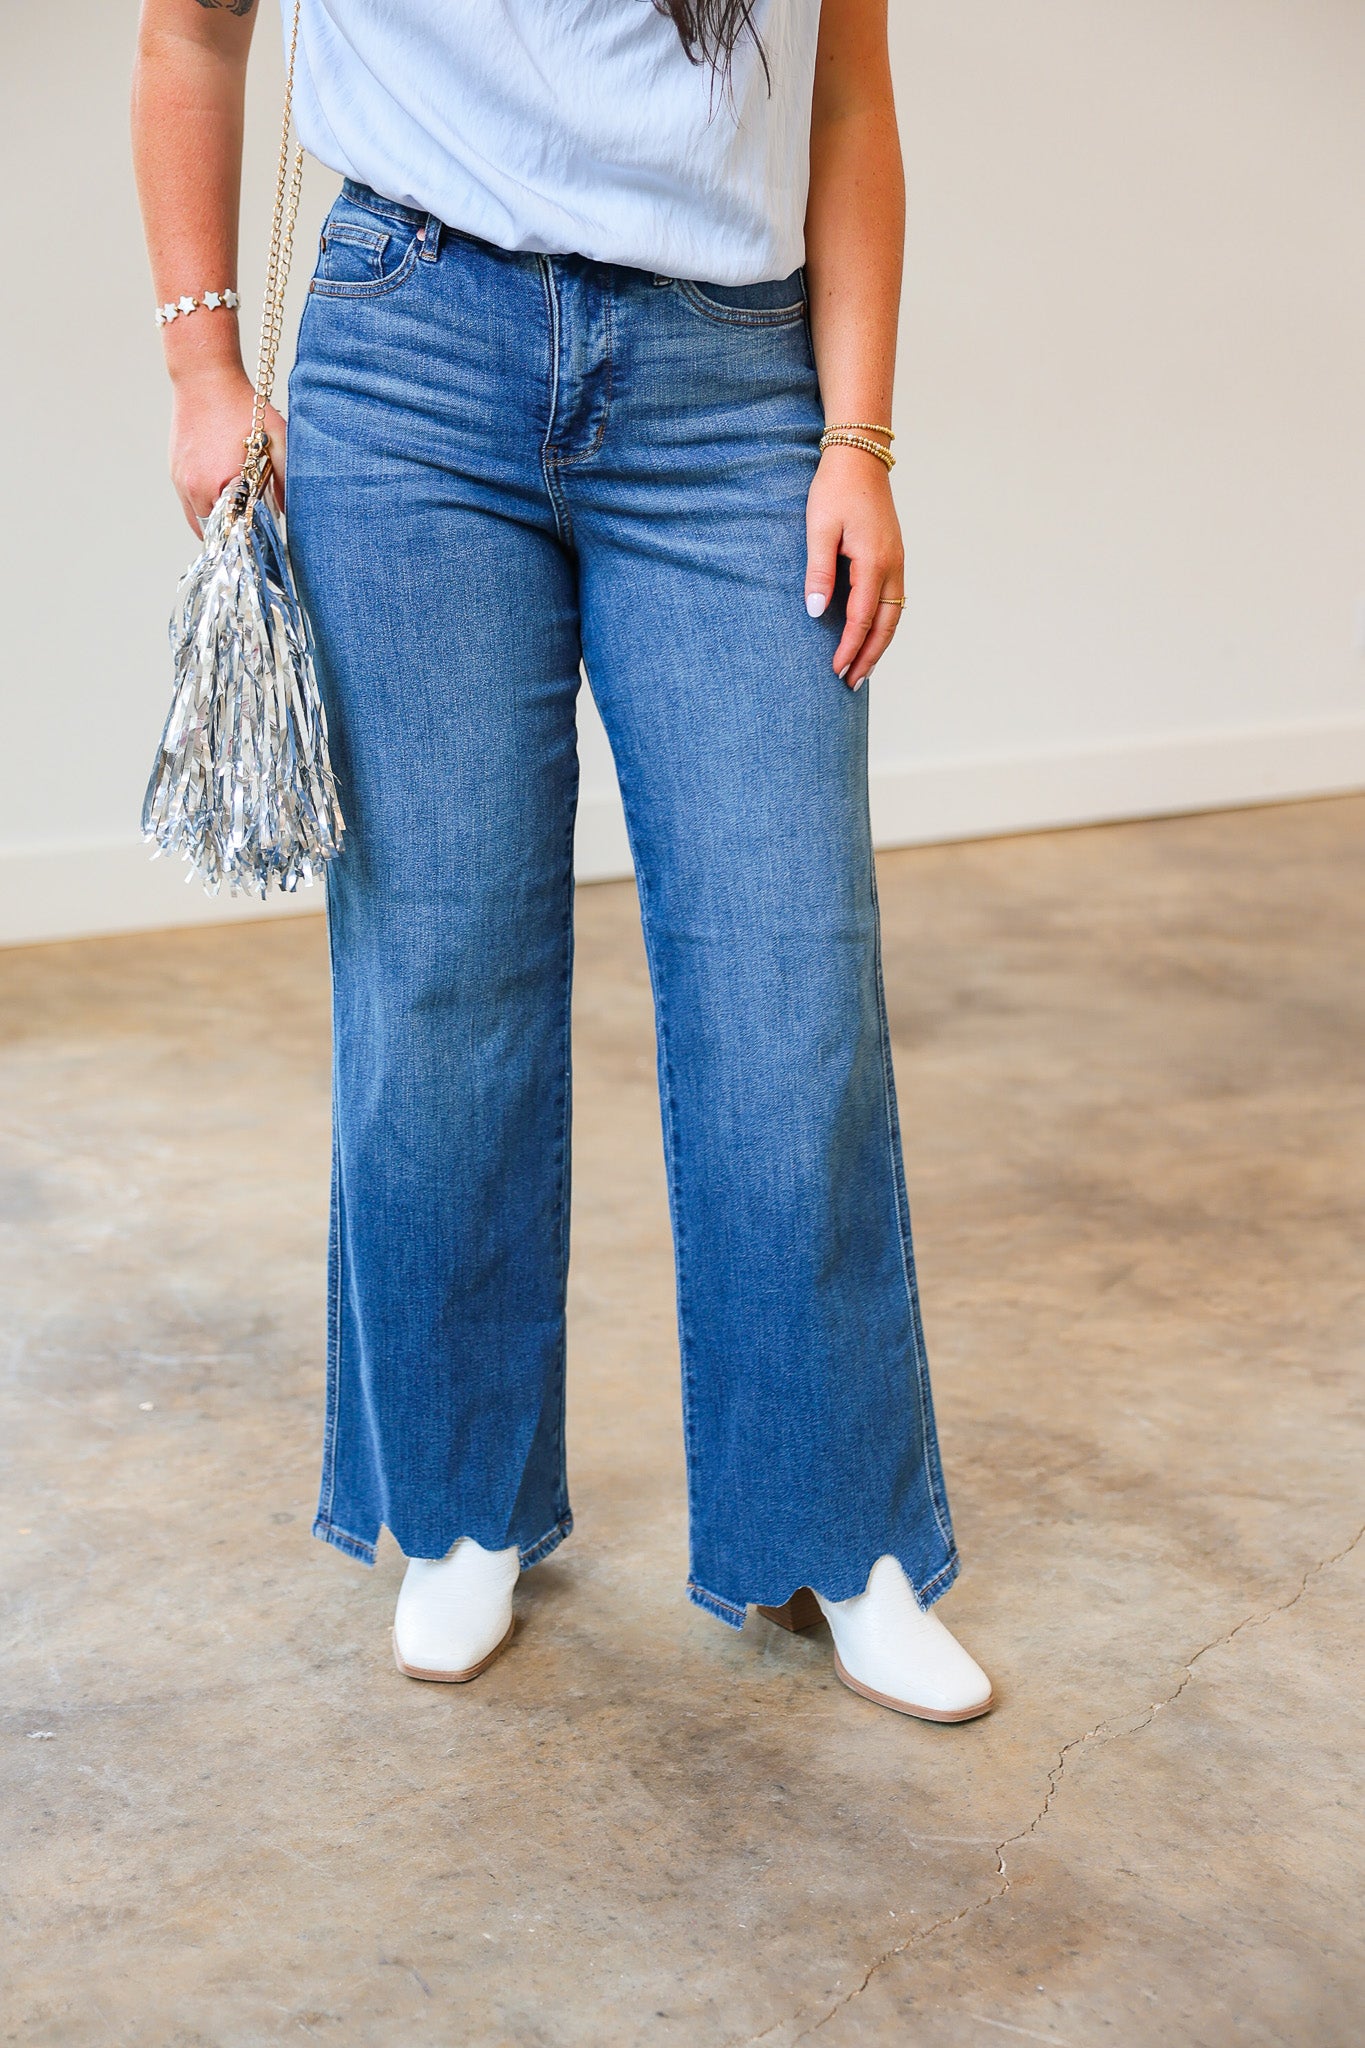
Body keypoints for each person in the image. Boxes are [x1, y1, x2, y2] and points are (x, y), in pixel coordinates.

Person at [132, 0, 993, 1723]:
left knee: (788, 987)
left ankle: (837, 1529)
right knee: (440, 978)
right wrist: (201, 370)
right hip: (408, 358)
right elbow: (193, 31)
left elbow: (846, 94)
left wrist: (858, 438)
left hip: (730, 386)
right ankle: (462, 1507)